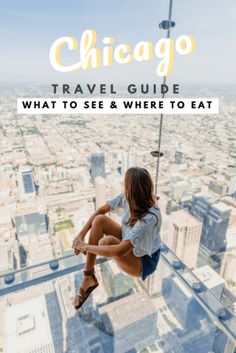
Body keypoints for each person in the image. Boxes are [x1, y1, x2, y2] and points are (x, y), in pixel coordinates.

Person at [72, 167, 162, 309]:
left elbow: (119, 251)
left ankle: (89, 274)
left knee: (106, 242)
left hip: (145, 261)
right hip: (130, 241)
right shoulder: (127, 197)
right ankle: (88, 276)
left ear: (131, 189)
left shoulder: (151, 217)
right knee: (100, 220)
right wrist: (81, 235)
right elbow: (101, 210)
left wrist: (84, 246)